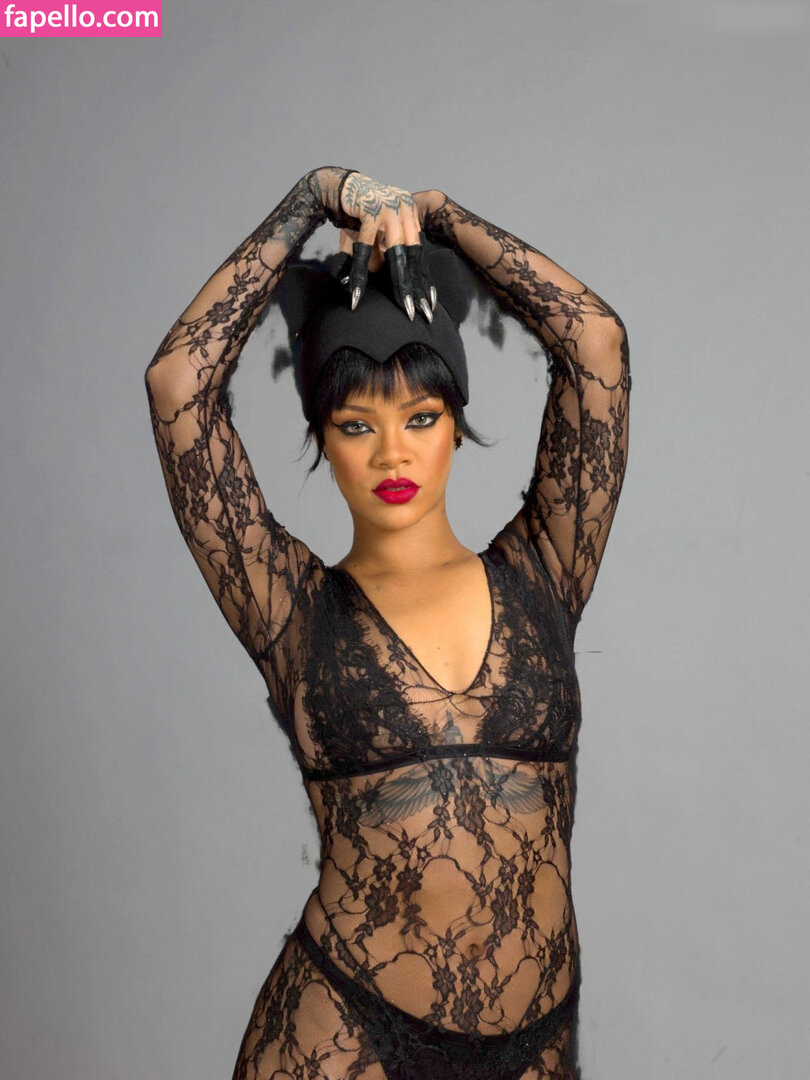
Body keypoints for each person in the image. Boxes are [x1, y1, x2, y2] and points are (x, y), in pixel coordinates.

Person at [144, 166, 631, 1080]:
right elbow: (178, 387)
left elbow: (596, 344)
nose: (393, 453)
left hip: (538, 1036)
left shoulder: (546, 568)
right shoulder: (291, 608)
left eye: (421, 415)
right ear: (321, 438)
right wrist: (312, 197)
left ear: (455, 423)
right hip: (342, 1030)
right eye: (356, 424)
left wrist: (438, 221)